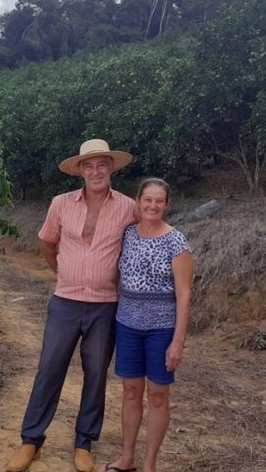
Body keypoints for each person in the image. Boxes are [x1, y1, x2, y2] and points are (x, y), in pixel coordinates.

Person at [6, 139, 138, 472]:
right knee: (49, 368)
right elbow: (47, 245)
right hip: (65, 302)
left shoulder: (127, 207)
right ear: (79, 170)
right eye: (89, 165)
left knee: (96, 374)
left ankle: (84, 442)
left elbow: (137, 247)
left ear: (111, 168)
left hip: (106, 306)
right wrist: (65, 273)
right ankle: (31, 440)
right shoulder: (61, 204)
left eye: (102, 165)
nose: (95, 171)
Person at [102, 178, 193, 472]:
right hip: (127, 324)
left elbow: (184, 292)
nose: (152, 206)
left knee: (157, 394)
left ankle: (150, 463)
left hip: (161, 329)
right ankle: (127, 457)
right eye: (148, 200)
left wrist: (178, 341)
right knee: (130, 391)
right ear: (138, 201)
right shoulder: (128, 233)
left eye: (159, 201)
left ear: (167, 205)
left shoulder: (175, 240)